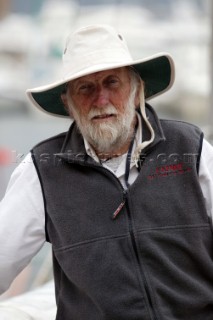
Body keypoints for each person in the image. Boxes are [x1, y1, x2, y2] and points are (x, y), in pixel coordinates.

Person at [0, 24, 213, 320]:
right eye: (85, 88)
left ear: (136, 89)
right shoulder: (41, 170)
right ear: (69, 103)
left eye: (112, 83)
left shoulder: (192, 149)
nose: (101, 100)